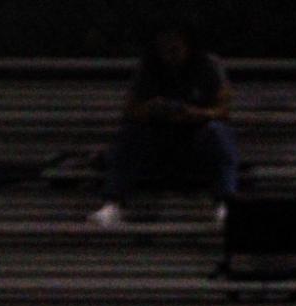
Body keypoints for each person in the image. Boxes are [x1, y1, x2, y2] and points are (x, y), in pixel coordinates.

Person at [90, 20, 238, 229]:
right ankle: (112, 204)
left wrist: (194, 113)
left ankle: (226, 204)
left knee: (219, 133)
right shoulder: (148, 66)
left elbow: (223, 110)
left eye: (175, 47)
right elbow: (130, 110)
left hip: (195, 140)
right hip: (158, 141)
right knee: (129, 134)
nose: (169, 53)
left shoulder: (209, 65)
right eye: (164, 48)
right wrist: (152, 109)